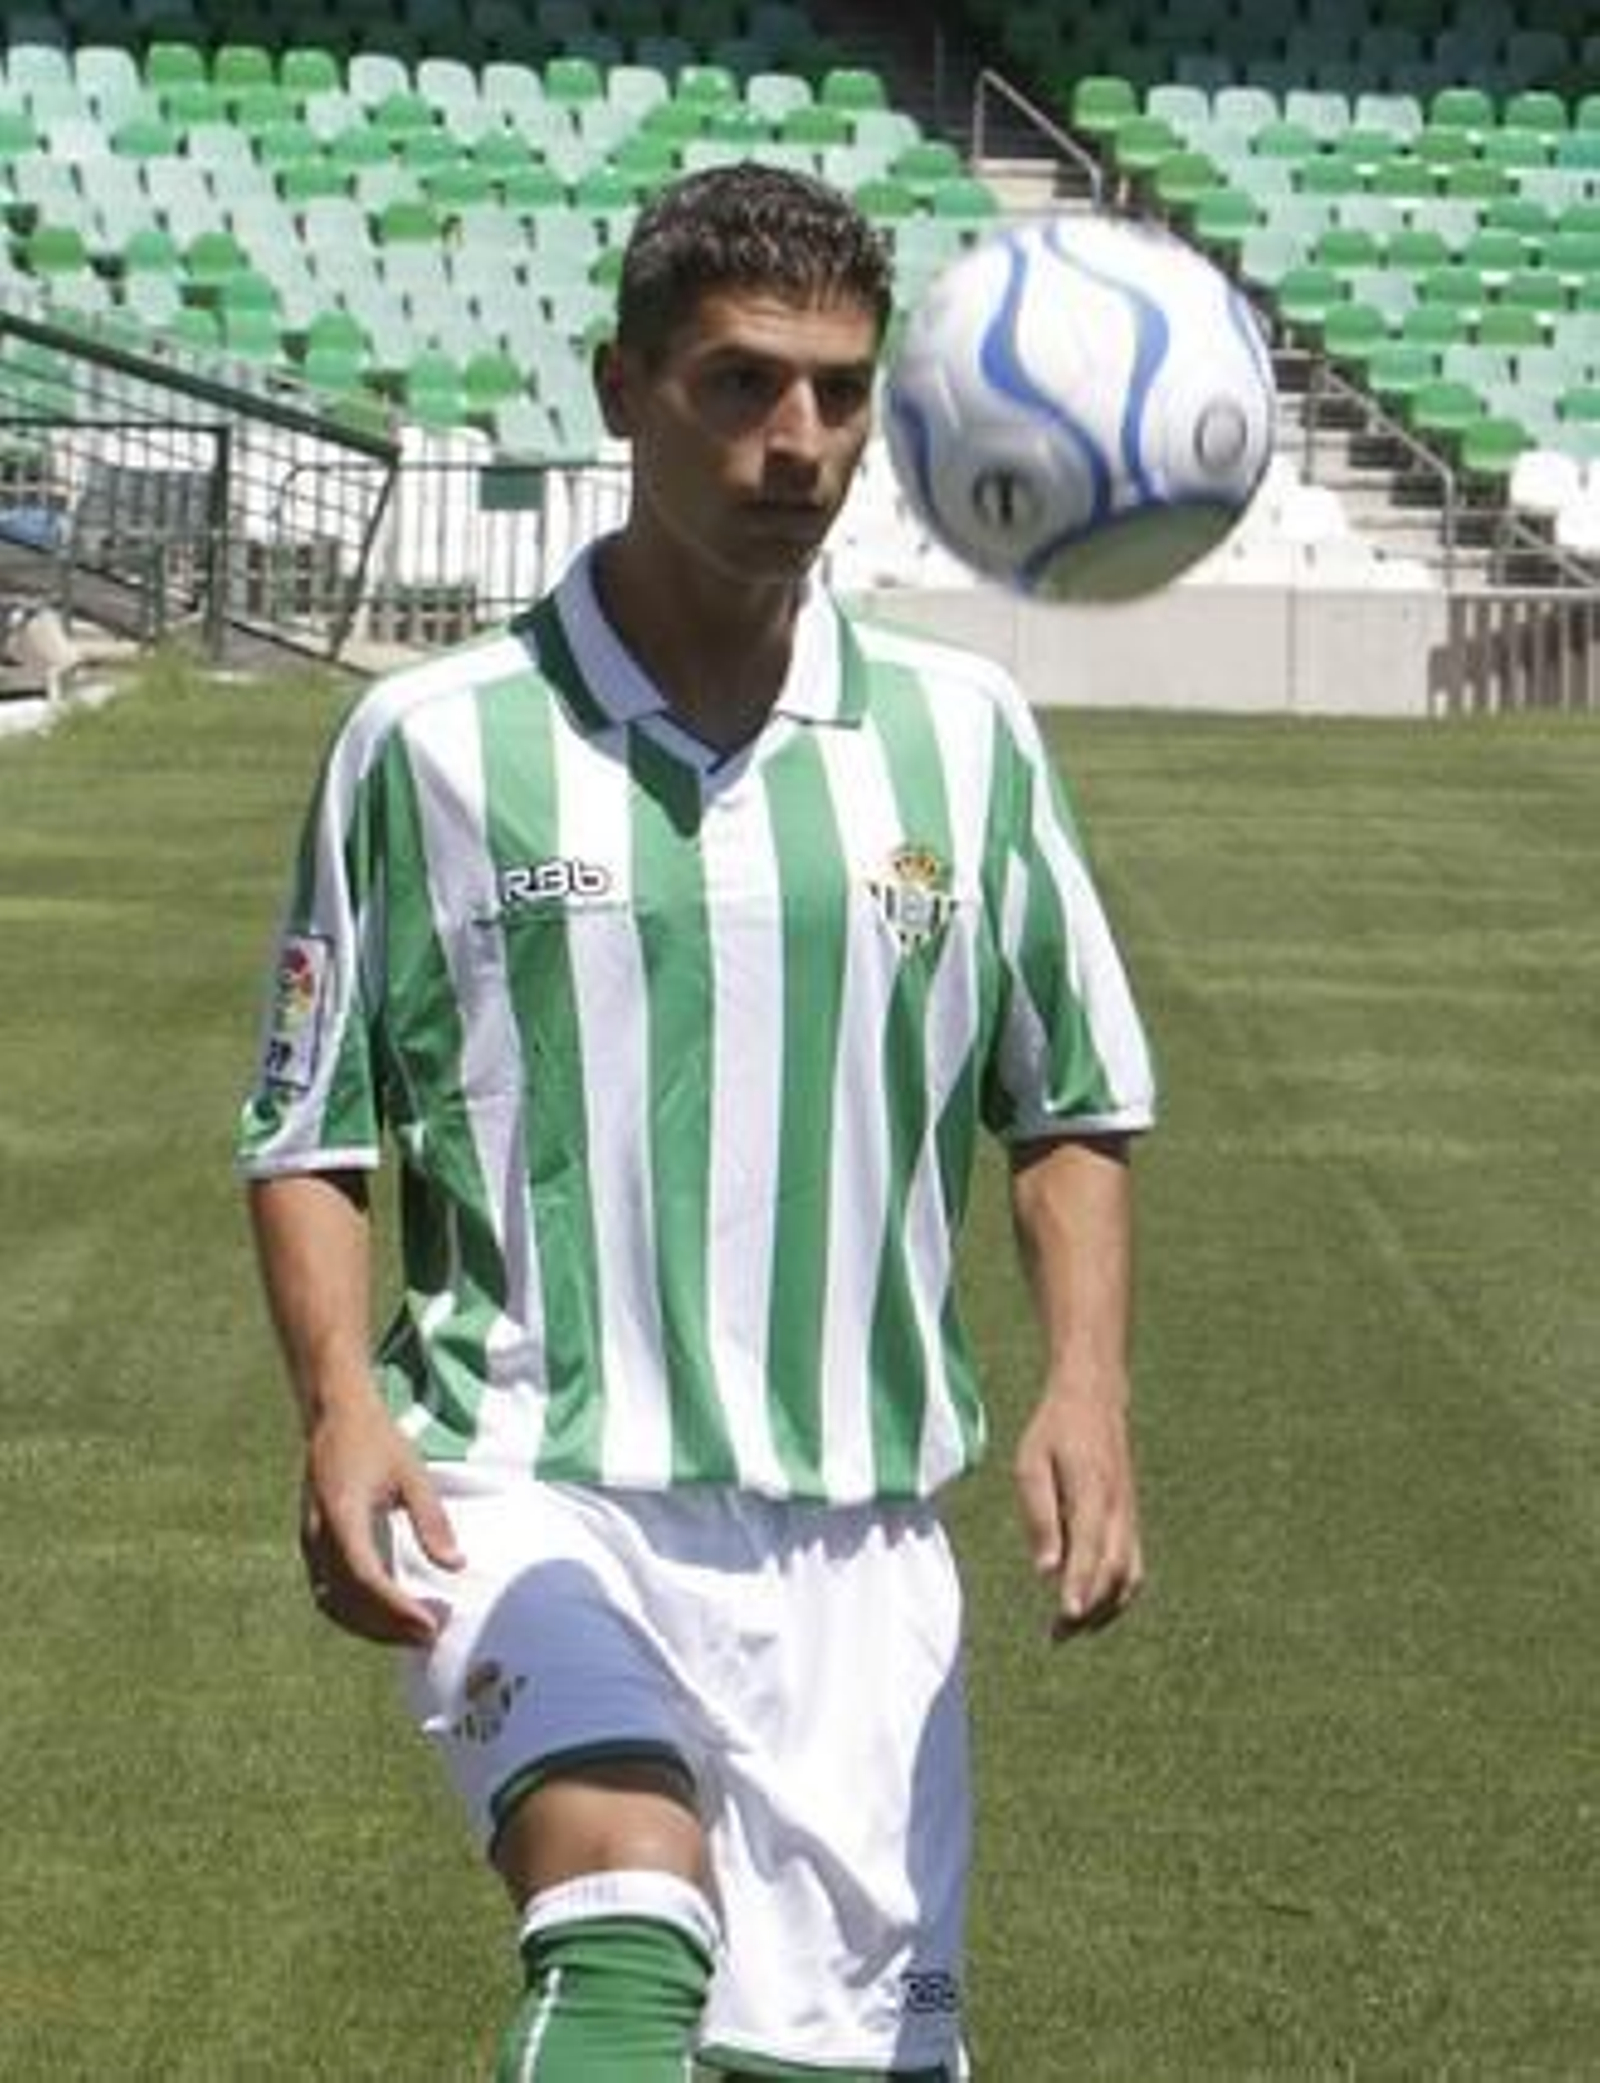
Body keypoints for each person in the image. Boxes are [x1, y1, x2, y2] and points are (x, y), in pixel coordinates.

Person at [238, 163, 1156, 2082]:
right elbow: (311, 1125)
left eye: (834, 390)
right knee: (627, 1922)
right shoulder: (431, 745)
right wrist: (341, 1400)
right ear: (619, 387)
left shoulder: (964, 740)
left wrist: (1087, 1387)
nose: (795, 439)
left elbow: (1064, 1101)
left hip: (857, 1544)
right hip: (525, 1476)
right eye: (739, 385)